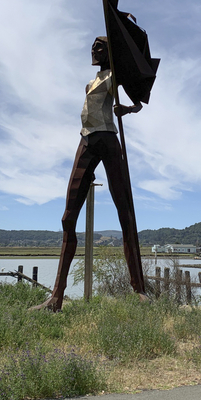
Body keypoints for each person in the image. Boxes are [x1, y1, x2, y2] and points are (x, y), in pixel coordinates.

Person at [33, 36, 148, 312]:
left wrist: (127, 108)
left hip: (108, 139)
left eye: (99, 46)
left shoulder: (114, 77)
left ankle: (140, 290)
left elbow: (139, 102)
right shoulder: (90, 83)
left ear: (110, 51)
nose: (93, 50)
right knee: (68, 217)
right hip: (86, 141)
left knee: (125, 211)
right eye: (93, 46)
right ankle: (56, 297)